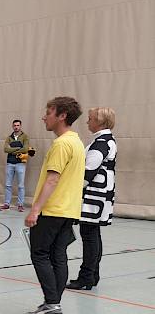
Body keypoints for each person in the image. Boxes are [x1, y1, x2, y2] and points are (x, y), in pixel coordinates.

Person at [25, 97, 85, 314]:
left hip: (52, 210)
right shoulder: (76, 142)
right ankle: (53, 303)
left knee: (39, 254)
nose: (44, 116)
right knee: (57, 255)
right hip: (68, 210)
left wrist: (35, 209)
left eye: (48, 112)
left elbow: (52, 179)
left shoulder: (61, 144)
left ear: (62, 116)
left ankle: (52, 303)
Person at [68, 107, 117, 291]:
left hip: (94, 197)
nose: (87, 122)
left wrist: (69, 190)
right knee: (93, 236)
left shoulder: (102, 142)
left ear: (100, 122)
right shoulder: (105, 140)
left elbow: (87, 172)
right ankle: (92, 275)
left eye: (90, 119)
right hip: (99, 196)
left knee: (89, 236)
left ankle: (86, 277)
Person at [2, 119, 31, 212]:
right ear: (12, 126)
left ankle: (20, 205)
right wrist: (19, 148)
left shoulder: (25, 137)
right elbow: (6, 149)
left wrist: (13, 149)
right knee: (8, 185)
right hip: (10, 163)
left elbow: (26, 149)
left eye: (18, 125)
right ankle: (6, 204)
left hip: (20, 164)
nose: (16, 127)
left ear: (20, 126)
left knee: (21, 186)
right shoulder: (9, 137)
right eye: (14, 125)